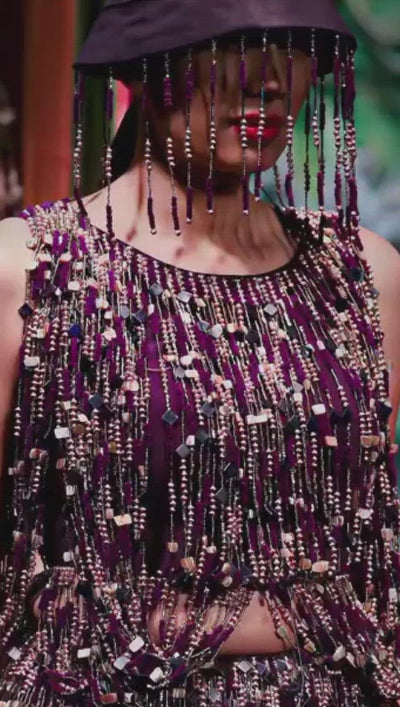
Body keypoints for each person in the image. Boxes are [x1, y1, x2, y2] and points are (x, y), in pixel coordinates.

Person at [0, 0, 400, 705]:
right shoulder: (31, 270)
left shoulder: (361, 274)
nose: (266, 80)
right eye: (226, 44)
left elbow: (374, 555)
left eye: (291, 44)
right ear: (145, 67)